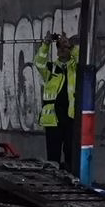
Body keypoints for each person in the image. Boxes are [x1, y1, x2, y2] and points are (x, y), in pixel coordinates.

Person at [34, 32, 81, 169]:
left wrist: (71, 46)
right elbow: (38, 62)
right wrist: (46, 44)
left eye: (64, 47)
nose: (61, 49)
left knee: (71, 156)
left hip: (71, 119)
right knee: (53, 158)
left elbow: (82, 61)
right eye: (59, 47)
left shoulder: (75, 68)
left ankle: (70, 182)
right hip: (53, 120)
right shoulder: (51, 68)